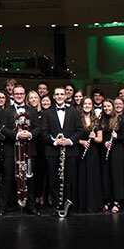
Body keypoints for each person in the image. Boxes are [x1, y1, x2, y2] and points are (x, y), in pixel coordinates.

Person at [0, 85, 41, 216]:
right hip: (11, 150)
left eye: (21, 94)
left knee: (29, 178)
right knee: (8, 179)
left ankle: (31, 206)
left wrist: (29, 135)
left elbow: (38, 127)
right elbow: (3, 128)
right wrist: (17, 135)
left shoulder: (32, 111)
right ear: (12, 95)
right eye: (16, 94)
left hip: (28, 150)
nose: (19, 96)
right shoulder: (6, 111)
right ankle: (3, 207)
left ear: (25, 95)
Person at [42, 87, 83, 217]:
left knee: (69, 180)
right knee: (53, 180)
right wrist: (55, 142)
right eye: (57, 94)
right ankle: (56, 206)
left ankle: (67, 205)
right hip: (53, 152)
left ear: (66, 96)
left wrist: (70, 141)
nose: (59, 96)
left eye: (62, 94)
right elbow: (44, 132)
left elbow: (79, 130)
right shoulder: (47, 113)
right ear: (53, 97)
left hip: (70, 152)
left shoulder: (74, 112)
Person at [76, 97, 103, 213]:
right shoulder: (77, 119)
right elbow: (72, 136)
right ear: (82, 105)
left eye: (89, 104)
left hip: (93, 152)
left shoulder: (96, 120)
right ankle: (81, 205)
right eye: (85, 103)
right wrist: (81, 142)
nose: (87, 105)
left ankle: (92, 205)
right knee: (81, 176)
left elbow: (100, 139)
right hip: (80, 150)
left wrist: (94, 138)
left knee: (92, 177)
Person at [99, 99, 123, 214]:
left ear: (113, 107)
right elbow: (100, 135)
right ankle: (107, 199)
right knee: (106, 175)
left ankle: (116, 201)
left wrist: (117, 136)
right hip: (105, 150)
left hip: (116, 151)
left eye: (109, 106)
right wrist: (104, 142)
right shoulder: (102, 120)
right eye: (104, 107)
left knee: (116, 175)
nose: (106, 109)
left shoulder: (119, 119)